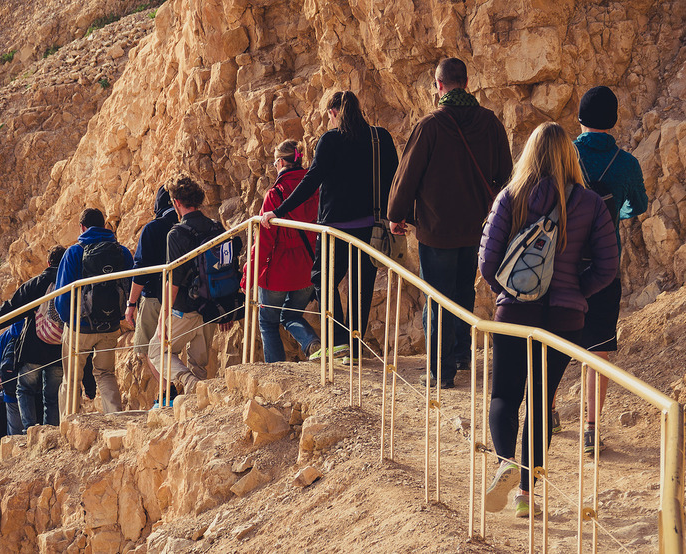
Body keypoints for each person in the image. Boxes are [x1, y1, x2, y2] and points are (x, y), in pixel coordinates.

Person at [478, 122, 618, 517]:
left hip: (514, 314)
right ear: (569, 157)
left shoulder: (510, 196)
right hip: (564, 320)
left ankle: (505, 462)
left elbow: (487, 262)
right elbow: (608, 266)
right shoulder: (590, 203)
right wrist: (576, 291)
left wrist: (511, 290)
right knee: (541, 403)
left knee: (505, 394)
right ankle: (526, 494)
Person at [387, 57, 513, 389]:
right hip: (477, 228)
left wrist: (396, 215)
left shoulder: (431, 126)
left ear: (439, 85)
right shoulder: (490, 123)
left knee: (437, 298)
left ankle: (440, 371)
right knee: (462, 293)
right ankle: (460, 356)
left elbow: (407, 175)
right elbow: (505, 173)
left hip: (437, 229)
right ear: (467, 83)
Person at [260, 91, 398, 365]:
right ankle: (354, 350)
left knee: (323, 281)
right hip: (370, 228)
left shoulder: (331, 140)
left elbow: (313, 180)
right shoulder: (379, 137)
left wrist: (280, 210)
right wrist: (399, 215)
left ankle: (338, 342)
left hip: (334, 231)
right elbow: (395, 177)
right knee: (361, 289)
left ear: (334, 113)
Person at [570, 85, 648, 454]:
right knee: (598, 348)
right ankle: (590, 429)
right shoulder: (627, 163)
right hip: (605, 265)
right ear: (614, 121)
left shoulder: (564, 154)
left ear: (580, 118)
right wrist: (614, 215)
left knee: (556, 339)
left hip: (564, 265)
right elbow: (638, 205)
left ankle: (549, 411)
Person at [147, 176, 233, 397]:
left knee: (156, 350)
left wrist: (162, 319)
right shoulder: (215, 227)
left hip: (185, 309)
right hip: (211, 307)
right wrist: (225, 308)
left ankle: (187, 381)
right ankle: (197, 409)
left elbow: (173, 281)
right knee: (199, 363)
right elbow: (227, 267)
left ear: (176, 202)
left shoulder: (176, 234)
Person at [0, 245, 67, 431]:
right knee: (52, 395)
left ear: (48, 262)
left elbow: (9, 309)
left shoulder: (37, 283)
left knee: (24, 390)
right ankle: (51, 431)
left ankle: (31, 431)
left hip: (33, 350)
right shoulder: (71, 285)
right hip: (59, 349)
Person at [55, 208, 134, 414]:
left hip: (79, 327)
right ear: (104, 225)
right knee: (105, 373)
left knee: (72, 378)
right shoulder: (122, 251)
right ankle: (116, 416)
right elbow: (131, 285)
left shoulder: (74, 252)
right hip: (110, 326)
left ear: (82, 227)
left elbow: (61, 296)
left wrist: (70, 322)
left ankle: (69, 424)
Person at [248, 140, 320, 362]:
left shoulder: (275, 194)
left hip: (278, 271)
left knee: (267, 321)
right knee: (291, 314)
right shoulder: (316, 187)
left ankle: (276, 370)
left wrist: (248, 278)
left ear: (280, 162)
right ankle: (311, 343)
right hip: (309, 266)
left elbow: (264, 242)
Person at [125, 185, 179, 356]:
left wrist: (131, 304)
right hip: (184, 299)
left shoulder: (153, 228)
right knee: (173, 353)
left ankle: (166, 384)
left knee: (150, 354)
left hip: (154, 299)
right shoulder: (185, 223)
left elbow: (141, 269)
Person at [0, 321, 24, 436]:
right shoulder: (37, 327)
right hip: (36, 391)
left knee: (15, 433)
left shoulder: (7, 335)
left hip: (11, 392)